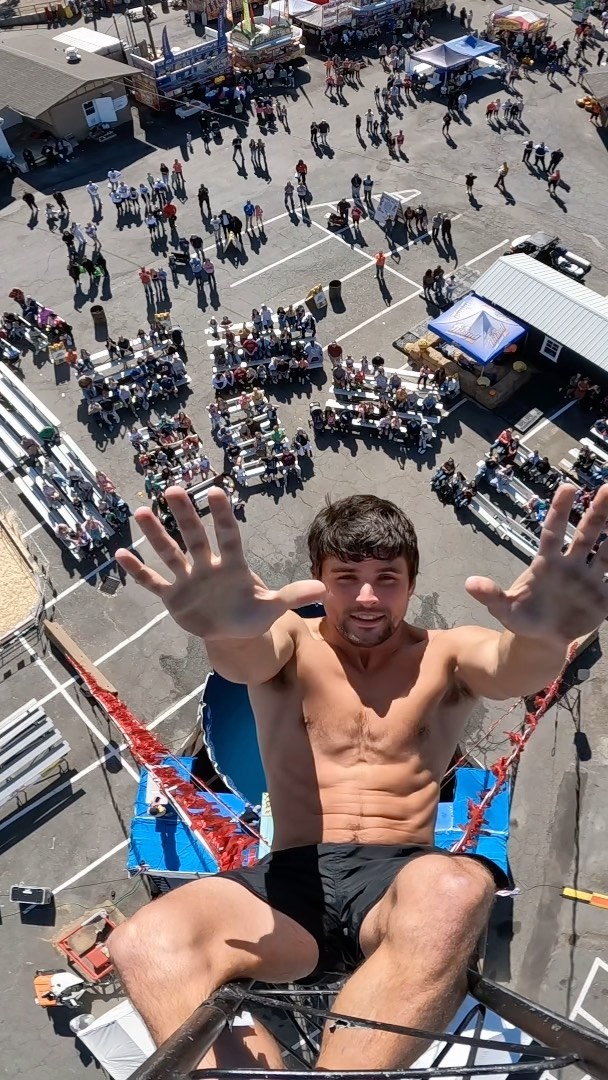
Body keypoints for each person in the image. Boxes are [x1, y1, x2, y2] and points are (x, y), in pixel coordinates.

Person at [111, 486, 608, 1071]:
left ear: (412, 583)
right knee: (144, 942)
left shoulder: (448, 654)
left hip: (397, 884)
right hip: (291, 881)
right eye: (346, 577)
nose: (367, 597)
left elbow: (511, 669)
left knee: (456, 887)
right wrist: (222, 631)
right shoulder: (291, 643)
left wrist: (545, 637)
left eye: (386, 578)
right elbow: (247, 657)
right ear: (319, 581)